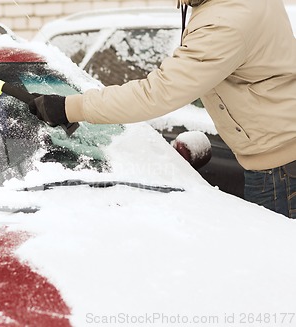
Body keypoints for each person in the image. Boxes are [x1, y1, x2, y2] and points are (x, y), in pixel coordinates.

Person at [29, 0, 296, 218]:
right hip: (280, 156)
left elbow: (159, 93)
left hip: (278, 170)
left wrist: (70, 106)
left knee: (280, 270)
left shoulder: (225, 19)